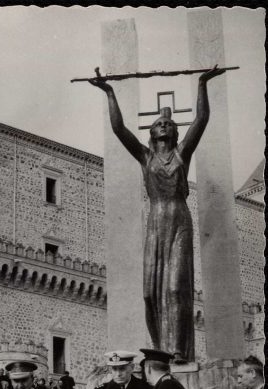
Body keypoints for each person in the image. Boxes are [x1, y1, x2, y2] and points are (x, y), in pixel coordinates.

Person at [90, 67, 225, 362]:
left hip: (178, 221)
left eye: (168, 123)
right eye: (159, 123)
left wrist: (202, 83)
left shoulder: (181, 154)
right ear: (151, 133)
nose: (164, 125)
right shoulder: (145, 156)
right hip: (155, 224)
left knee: (176, 288)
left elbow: (201, 120)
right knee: (151, 295)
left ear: (174, 131)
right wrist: (109, 92)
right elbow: (118, 129)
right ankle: (161, 348)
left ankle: (177, 351)